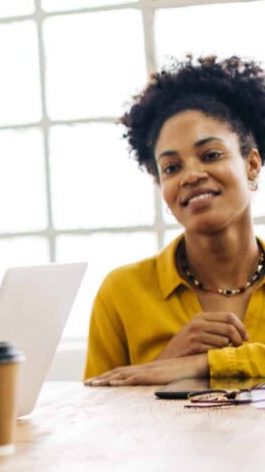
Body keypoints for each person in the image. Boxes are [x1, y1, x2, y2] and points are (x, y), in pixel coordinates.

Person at [85, 55, 265, 386]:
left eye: (211, 155)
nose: (192, 175)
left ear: (252, 164)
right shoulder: (122, 293)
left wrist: (208, 364)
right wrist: (166, 363)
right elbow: (94, 413)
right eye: (171, 167)